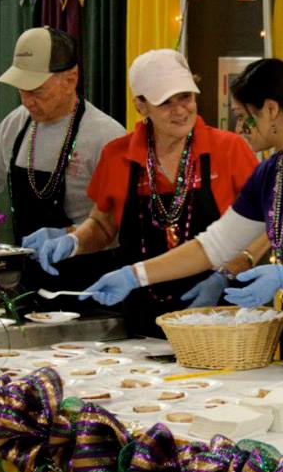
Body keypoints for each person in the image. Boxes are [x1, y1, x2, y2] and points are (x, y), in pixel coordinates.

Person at [81, 58, 283, 371]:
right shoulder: (273, 169)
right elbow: (215, 245)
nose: (237, 127)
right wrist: (135, 275)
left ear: (271, 110)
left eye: (242, 116)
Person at [25, 49, 262, 336]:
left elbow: (266, 227)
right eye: (165, 102)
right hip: (143, 315)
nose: (180, 110)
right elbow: (103, 224)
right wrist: (73, 242)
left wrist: (227, 274)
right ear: (141, 105)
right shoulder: (118, 155)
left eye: (186, 97)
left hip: (220, 314)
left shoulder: (229, 149)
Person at [0, 27, 126, 305]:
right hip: (30, 281)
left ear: (70, 79)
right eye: (21, 91)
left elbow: (117, 224)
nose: (28, 101)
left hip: (90, 285)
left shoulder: (105, 136)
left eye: (37, 91)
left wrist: (68, 237)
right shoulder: (18, 122)